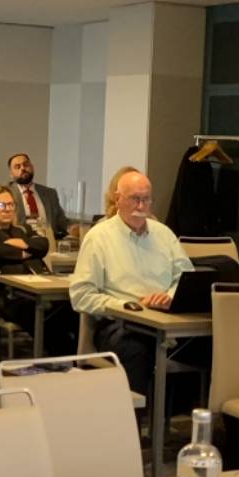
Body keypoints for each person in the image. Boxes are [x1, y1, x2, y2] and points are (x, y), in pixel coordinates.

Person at [69, 169, 192, 394]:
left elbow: (186, 278)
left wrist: (170, 297)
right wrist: (126, 306)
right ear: (118, 199)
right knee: (137, 349)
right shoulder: (99, 237)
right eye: (135, 199)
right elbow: (81, 295)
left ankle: (185, 413)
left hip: (165, 320)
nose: (141, 206)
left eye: (146, 199)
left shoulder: (164, 234)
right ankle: (134, 414)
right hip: (119, 323)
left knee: (209, 346)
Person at [0, 185, 77, 355]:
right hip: (8, 297)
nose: (8, 209)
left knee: (71, 308)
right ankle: (61, 357)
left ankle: (73, 356)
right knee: (48, 320)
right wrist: (25, 252)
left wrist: (24, 244)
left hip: (37, 290)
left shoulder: (22, 230)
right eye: (2, 205)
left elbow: (43, 244)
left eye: (11, 205)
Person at [7, 153, 69, 240]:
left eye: (26, 164)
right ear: (11, 174)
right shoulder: (6, 194)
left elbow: (62, 223)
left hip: (48, 243)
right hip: (20, 243)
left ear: (32, 167)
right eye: (17, 167)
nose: (23, 168)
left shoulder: (50, 194)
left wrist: (72, 229)